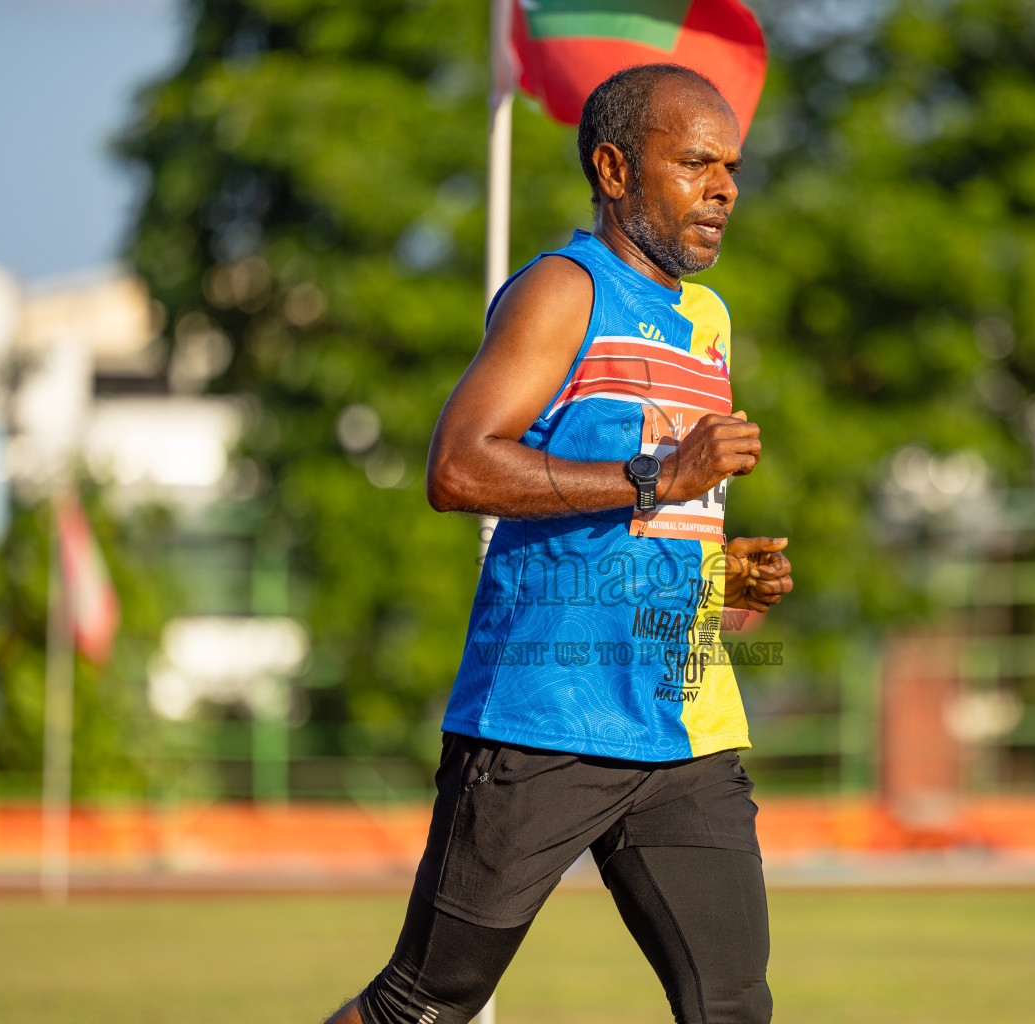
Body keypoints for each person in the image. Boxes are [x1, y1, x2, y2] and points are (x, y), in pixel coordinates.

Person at [325, 62, 794, 1024]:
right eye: (696, 163)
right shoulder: (562, 291)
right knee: (422, 1006)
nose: (724, 189)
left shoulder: (709, 319)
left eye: (732, 167)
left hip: (684, 726)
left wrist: (720, 574)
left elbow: (658, 511)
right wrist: (658, 478)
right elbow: (457, 470)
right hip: (545, 722)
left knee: (733, 1008)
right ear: (616, 169)